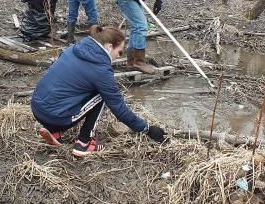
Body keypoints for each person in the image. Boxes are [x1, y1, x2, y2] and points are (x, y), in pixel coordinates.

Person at [31, 25, 166, 158]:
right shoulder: (101, 71)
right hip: (55, 115)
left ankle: (54, 131)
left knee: (77, 90)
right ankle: (85, 143)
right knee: (102, 95)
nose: (119, 56)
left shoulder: (74, 48)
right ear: (109, 47)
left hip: (37, 108)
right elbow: (119, 109)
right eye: (120, 51)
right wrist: (147, 129)